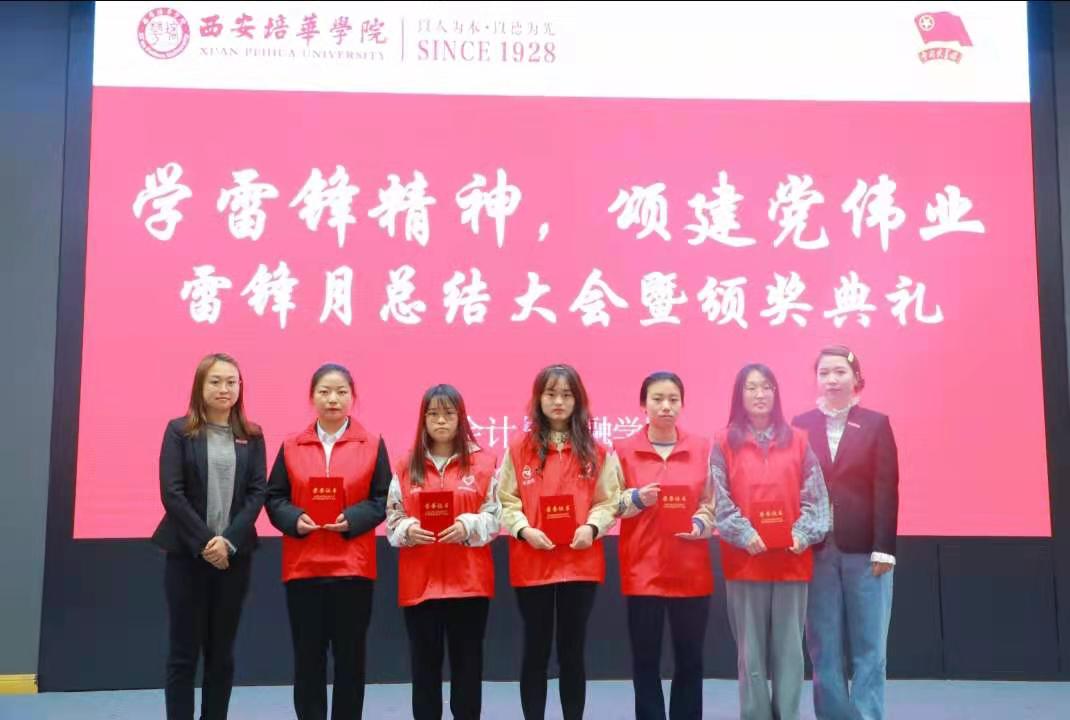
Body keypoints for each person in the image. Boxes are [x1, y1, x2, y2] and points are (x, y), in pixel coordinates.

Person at [265, 363, 391, 720]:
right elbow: (274, 497)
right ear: (312, 397)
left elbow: (383, 498)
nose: (333, 399)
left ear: (353, 397)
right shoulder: (292, 445)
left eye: (341, 392)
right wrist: (294, 519)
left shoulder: (372, 444)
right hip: (303, 567)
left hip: (353, 568)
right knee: (308, 660)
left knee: (351, 660)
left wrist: (353, 519)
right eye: (324, 391)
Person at [497, 363, 622, 720]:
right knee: (535, 650)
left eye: (567, 395)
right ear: (538, 399)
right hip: (533, 560)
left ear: (578, 401)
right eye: (551, 394)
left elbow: (609, 500)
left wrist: (592, 528)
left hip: (580, 563)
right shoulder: (518, 449)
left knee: (572, 651)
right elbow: (505, 499)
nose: (558, 402)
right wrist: (524, 530)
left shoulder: (596, 451)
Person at [152, 352, 267, 720]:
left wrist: (228, 541)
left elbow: (257, 493)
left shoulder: (252, 435)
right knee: (183, 655)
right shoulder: (179, 431)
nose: (224, 388)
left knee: (222, 654)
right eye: (215, 381)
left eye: (231, 382)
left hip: (233, 559)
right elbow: (172, 493)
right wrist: (205, 543)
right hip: (187, 556)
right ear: (200, 386)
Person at [711, 363, 830, 720]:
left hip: (791, 561)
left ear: (776, 393)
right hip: (746, 562)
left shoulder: (799, 440)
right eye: (751, 387)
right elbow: (718, 499)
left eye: (766, 387)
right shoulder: (723, 442)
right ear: (739, 395)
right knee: (751, 656)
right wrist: (744, 533)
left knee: (790, 654)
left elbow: (817, 498)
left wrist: (803, 533)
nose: (759, 394)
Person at [792, 346, 899, 720]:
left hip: (866, 551)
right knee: (824, 647)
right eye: (824, 373)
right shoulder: (800, 425)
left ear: (856, 378)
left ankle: (867, 715)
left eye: (839, 372)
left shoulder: (876, 424)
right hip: (818, 550)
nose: (832, 380)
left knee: (870, 648)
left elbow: (886, 488)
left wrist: (885, 547)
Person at [386, 384, 501, 720]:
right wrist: (408, 529)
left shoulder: (484, 463)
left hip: (469, 583)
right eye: (433, 414)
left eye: (448, 414)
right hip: (420, 583)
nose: (440, 421)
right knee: (424, 670)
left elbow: (496, 516)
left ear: (461, 418)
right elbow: (392, 517)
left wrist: (469, 525)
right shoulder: (406, 465)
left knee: (468, 668)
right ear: (423, 419)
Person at [616, 371, 716, 720]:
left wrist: (701, 523)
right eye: (657, 399)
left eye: (673, 399)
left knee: (690, 660)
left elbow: (712, 500)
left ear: (682, 404)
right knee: (645, 661)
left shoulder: (702, 448)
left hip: (691, 570)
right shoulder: (623, 450)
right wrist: (635, 498)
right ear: (643, 405)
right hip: (643, 571)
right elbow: (608, 502)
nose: (666, 406)